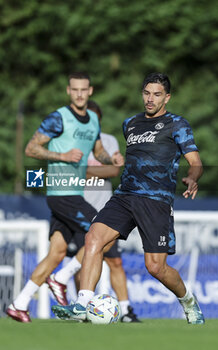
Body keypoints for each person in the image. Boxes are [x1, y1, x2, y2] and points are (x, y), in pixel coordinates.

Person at [52, 72, 205, 325]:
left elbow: (195, 162)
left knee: (156, 267)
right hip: (124, 196)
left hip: (155, 201)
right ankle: (82, 304)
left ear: (167, 97)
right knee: (93, 238)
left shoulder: (178, 124)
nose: (150, 99)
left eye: (156, 94)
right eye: (146, 93)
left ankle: (188, 300)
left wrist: (192, 177)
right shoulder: (130, 124)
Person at [6, 72, 124, 323]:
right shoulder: (58, 117)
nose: (79, 94)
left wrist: (111, 159)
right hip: (62, 192)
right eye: (75, 90)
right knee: (106, 233)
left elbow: (99, 150)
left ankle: (19, 303)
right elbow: (31, 148)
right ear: (68, 91)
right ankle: (60, 279)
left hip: (73, 193)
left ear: (90, 91)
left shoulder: (93, 119)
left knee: (57, 252)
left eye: (84, 90)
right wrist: (61, 156)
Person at [64, 100, 140, 322]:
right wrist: (97, 171)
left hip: (106, 211)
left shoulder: (108, 140)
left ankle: (126, 311)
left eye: (94, 117)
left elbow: (115, 170)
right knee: (87, 258)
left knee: (115, 261)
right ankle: (83, 308)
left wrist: (84, 171)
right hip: (78, 209)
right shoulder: (71, 141)